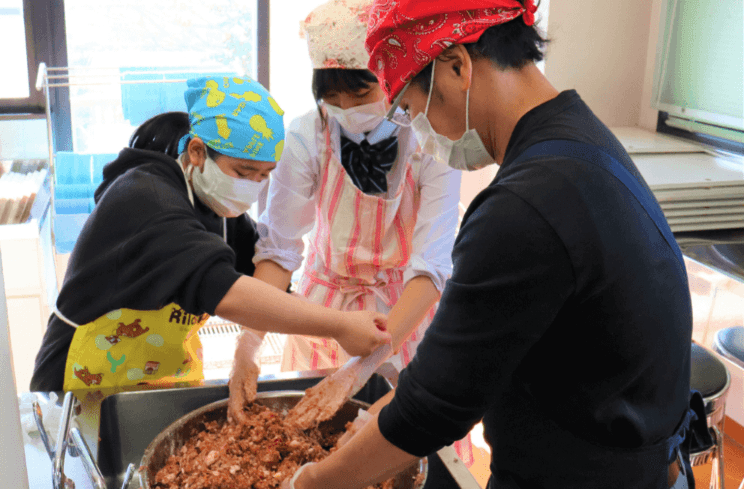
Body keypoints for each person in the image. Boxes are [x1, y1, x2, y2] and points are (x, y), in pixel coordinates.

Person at [283, 1, 695, 489]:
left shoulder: (526, 203)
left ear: (457, 66)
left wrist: (308, 483)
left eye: (415, 109)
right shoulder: (579, 139)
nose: (425, 131)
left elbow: (433, 409)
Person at [29, 76, 390, 405]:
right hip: (82, 380)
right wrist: (338, 325)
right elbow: (227, 292)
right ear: (198, 152)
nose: (253, 186)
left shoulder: (216, 207)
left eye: (264, 175)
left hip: (163, 374)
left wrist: (247, 351)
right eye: (243, 172)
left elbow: (266, 281)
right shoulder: (143, 198)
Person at [253, 0, 461, 376]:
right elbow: (280, 249)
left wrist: (371, 360)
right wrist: (248, 343)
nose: (346, 109)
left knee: (404, 421)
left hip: (407, 307)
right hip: (325, 311)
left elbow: (432, 263)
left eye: (361, 96)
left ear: (390, 77)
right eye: (333, 100)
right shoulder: (309, 134)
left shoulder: (429, 136)